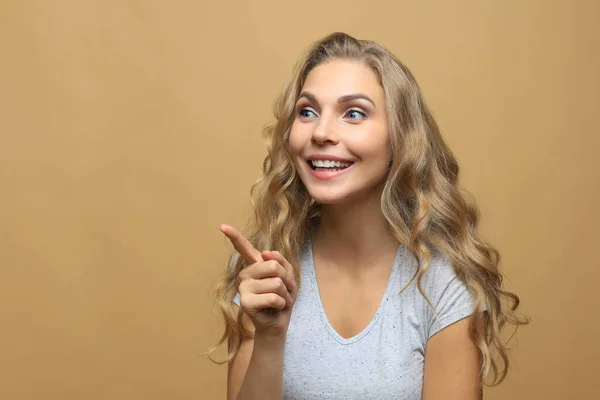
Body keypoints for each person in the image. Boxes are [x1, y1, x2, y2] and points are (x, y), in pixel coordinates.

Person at [204, 32, 529, 399]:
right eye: (307, 111)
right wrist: (268, 337)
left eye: (353, 113)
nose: (321, 132)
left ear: (400, 139)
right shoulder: (264, 268)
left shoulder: (441, 283)